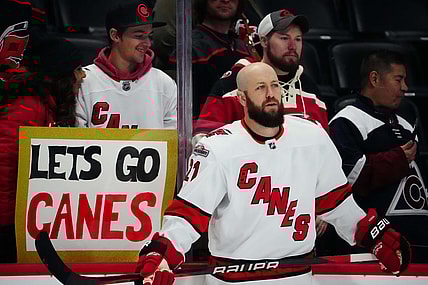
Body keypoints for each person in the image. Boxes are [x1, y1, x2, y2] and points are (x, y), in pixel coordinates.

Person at [134, 62, 410, 285]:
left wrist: (372, 235)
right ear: (241, 98)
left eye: (275, 86)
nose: (270, 94)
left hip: (298, 275)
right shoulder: (217, 147)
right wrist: (163, 252)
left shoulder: (312, 136)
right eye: (260, 88)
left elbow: (335, 202)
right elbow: (189, 214)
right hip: (235, 279)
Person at [328, 50, 428, 262]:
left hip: (418, 246)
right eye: (398, 79)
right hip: (372, 248)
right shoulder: (347, 121)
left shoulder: (407, 124)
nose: (404, 88)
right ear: (374, 79)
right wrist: (397, 159)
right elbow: (350, 178)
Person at [0, 34, 85, 263]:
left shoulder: (42, 104)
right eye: (77, 69)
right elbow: (6, 173)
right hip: (7, 225)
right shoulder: (29, 108)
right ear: (61, 76)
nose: (83, 76)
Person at [194, 9, 328, 140]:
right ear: (264, 41)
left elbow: (323, 143)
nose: (293, 46)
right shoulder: (236, 81)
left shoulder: (309, 88)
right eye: (284, 38)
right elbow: (203, 138)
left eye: (298, 39)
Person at [75, 0, 177, 129]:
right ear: (115, 35)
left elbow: (172, 142)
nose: (148, 44)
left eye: (149, 36)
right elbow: (76, 140)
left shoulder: (164, 83)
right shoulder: (83, 81)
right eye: (139, 36)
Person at [169, 0, 253, 118]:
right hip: (205, 129)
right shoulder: (190, 46)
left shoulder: (242, 46)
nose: (225, 0)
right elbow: (182, 108)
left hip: (242, 129)